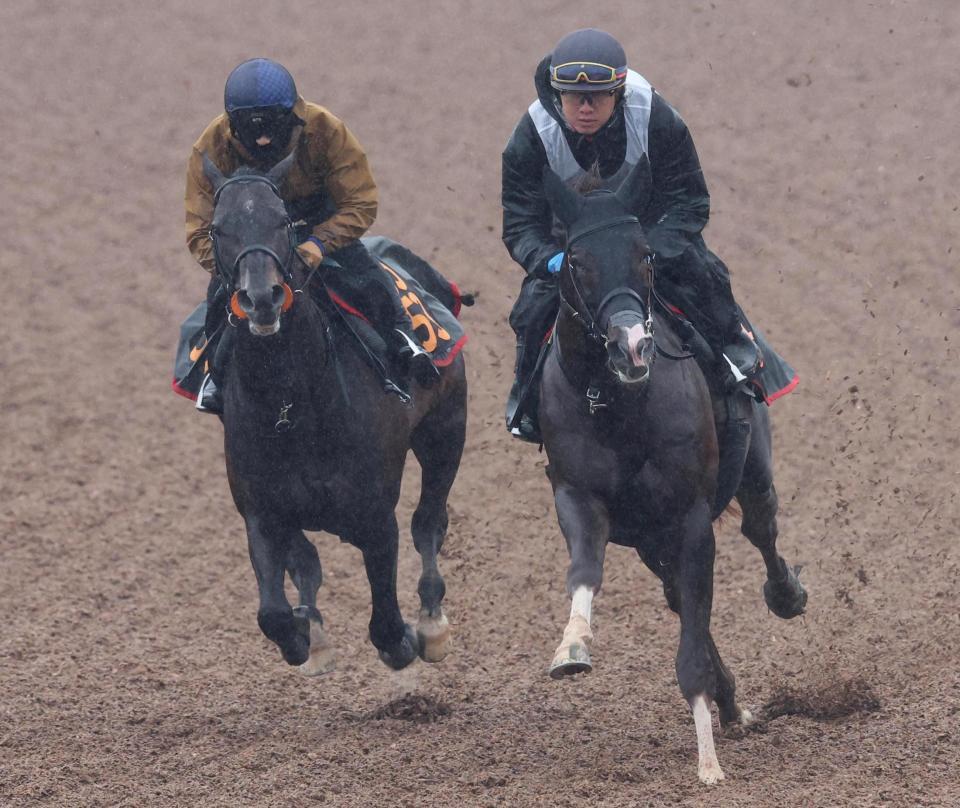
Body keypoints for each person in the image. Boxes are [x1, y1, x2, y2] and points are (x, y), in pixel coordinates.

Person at [501, 28, 761, 442]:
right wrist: (549, 260)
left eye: (598, 97)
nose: (585, 108)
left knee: (702, 275)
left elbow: (689, 201)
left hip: (648, 233)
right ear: (557, 95)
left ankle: (736, 355)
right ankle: (526, 398)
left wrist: (649, 251)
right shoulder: (531, 135)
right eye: (574, 97)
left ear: (619, 94)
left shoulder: (655, 117)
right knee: (532, 311)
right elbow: (520, 224)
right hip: (574, 247)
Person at [186, 58, 438, 413]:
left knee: (369, 278)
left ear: (292, 118)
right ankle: (214, 374)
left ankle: (403, 340)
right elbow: (200, 230)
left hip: (320, 224)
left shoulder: (327, 129)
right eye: (252, 131)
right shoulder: (210, 146)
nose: (263, 139)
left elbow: (360, 201)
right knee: (218, 301)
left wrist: (319, 243)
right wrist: (235, 265)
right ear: (233, 126)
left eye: (271, 129)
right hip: (251, 240)